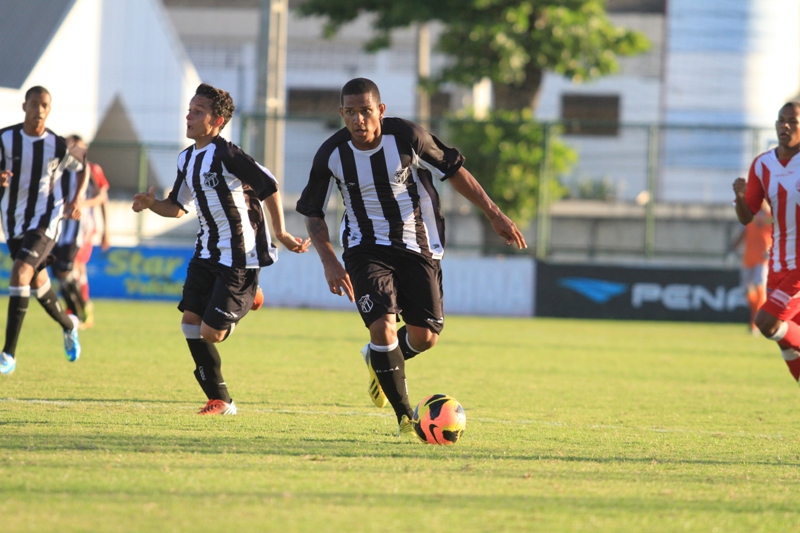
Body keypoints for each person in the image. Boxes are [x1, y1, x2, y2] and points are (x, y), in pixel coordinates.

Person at [296, 78, 527, 436]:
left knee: (424, 336)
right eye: (351, 113)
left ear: (381, 111)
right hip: (364, 247)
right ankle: (406, 417)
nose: (359, 120)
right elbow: (312, 211)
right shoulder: (331, 153)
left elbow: (454, 170)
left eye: (366, 111)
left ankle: (381, 358)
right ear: (342, 113)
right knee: (383, 325)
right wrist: (329, 260)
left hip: (418, 244)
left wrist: (494, 213)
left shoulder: (407, 136)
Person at [132, 83, 310, 415]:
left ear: (218, 121)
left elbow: (268, 184)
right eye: (189, 109)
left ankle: (250, 293)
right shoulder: (187, 158)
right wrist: (151, 204)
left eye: (198, 112)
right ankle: (220, 400)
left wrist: (282, 233)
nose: (189, 116)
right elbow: (177, 206)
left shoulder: (227, 154)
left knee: (212, 333)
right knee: (189, 323)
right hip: (205, 252)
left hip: (241, 255)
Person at [0, 86, 87, 376]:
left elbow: (83, 164)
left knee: (20, 272)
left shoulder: (57, 144)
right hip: (13, 223)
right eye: (34, 104)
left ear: (49, 110)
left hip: (45, 220)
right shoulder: (5, 139)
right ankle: (68, 325)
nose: (39, 109)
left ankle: (8, 354)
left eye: (44, 105)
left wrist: (77, 198)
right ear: (24, 106)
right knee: (37, 283)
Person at [733, 101, 800, 385]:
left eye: (792, 121)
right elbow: (746, 217)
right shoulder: (762, 165)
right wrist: (739, 197)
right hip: (777, 264)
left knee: (766, 322)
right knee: (787, 342)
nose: (784, 126)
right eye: (780, 120)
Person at [730, 200, 772, 334]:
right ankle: (756, 318)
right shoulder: (748, 215)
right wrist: (732, 249)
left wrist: (773, 249)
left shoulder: (772, 215)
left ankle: (755, 324)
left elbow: (780, 235)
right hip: (748, 258)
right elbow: (742, 233)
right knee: (747, 291)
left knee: (760, 287)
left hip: (764, 258)